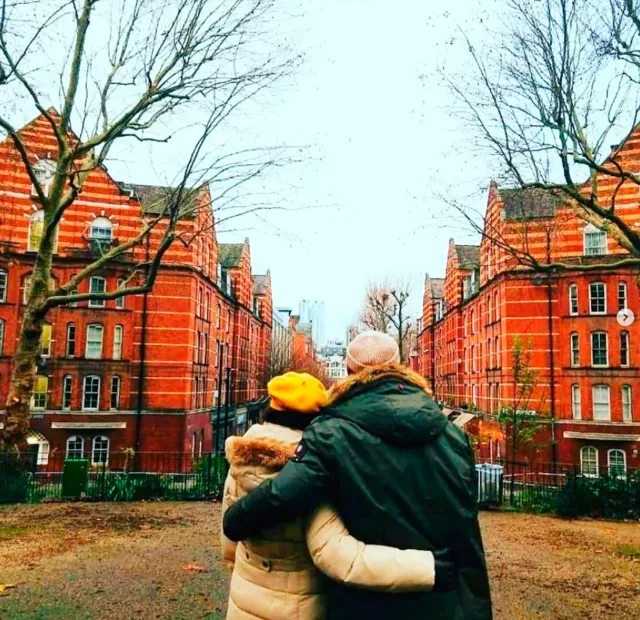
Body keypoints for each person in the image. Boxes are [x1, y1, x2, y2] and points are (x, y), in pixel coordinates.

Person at [224, 332, 492, 620]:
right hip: (447, 600)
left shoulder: (331, 431)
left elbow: (284, 494)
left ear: (350, 372)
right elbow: (466, 523)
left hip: (368, 603)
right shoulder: (451, 434)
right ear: (401, 368)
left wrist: (235, 519)